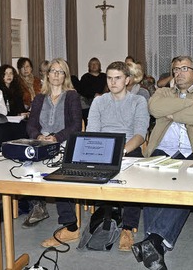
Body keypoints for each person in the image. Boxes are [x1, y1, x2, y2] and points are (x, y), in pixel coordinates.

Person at [131, 56, 193, 270]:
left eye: (184, 68)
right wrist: (189, 103)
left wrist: (173, 113)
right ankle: (155, 245)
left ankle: (153, 240)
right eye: (176, 69)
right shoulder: (163, 92)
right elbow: (154, 109)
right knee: (151, 182)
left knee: (187, 187)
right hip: (164, 149)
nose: (179, 72)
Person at [84, 61, 149, 251]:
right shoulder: (99, 101)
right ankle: (76, 224)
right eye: (109, 78)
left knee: (134, 174)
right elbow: (92, 131)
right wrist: (102, 151)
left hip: (128, 147)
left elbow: (139, 134)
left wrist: (121, 151)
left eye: (118, 78)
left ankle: (128, 227)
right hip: (102, 146)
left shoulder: (138, 101)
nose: (113, 82)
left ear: (127, 80)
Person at [26, 58, 82, 243]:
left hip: (63, 141)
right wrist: (39, 136)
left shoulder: (72, 95)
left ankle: (70, 225)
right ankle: (37, 205)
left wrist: (56, 137)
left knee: (58, 175)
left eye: (60, 71)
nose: (56, 74)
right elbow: (31, 124)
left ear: (65, 75)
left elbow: (75, 125)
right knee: (24, 166)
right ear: (47, 74)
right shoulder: (39, 98)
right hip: (42, 142)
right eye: (53, 71)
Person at [77, 57, 107, 125]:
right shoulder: (85, 77)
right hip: (88, 102)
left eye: (96, 64)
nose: (94, 66)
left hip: (104, 100)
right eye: (92, 64)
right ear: (89, 66)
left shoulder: (104, 76)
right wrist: (94, 94)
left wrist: (102, 95)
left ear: (99, 66)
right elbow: (82, 90)